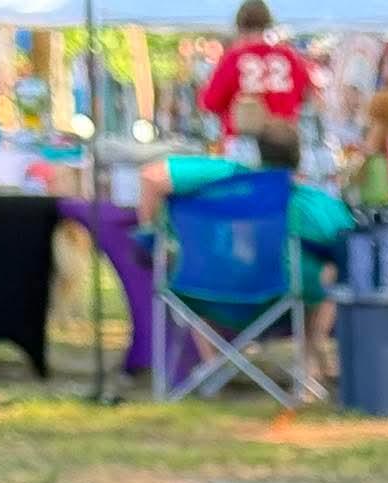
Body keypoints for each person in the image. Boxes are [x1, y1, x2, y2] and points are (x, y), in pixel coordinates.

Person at [138, 117, 353, 384]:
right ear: (299, 157)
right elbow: (348, 243)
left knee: (195, 268)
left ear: (258, 151)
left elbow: (151, 176)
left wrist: (151, 237)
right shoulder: (316, 202)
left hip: (214, 296)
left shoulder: (229, 180)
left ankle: (214, 367)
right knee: (332, 269)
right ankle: (310, 364)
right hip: (284, 299)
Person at [200, 0, 317, 139]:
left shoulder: (234, 57)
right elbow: (308, 95)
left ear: (239, 25)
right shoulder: (289, 56)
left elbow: (210, 102)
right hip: (284, 141)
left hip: (244, 141)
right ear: (267, 22)